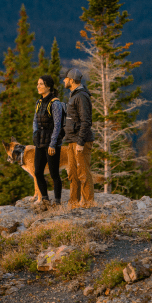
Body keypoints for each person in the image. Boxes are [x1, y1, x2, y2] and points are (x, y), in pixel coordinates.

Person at [63, 68, 95, 209]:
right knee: (73, 173)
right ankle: (73, 204)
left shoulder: (81, 96)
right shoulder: (74, 95)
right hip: (71, 140)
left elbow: (86, 121)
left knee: (83, 173)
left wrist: (80, 143)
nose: (64, 80)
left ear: (71, 80)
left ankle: (88, 204)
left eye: (65, 78)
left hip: (80, 141)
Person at [33, 74, 64, 209]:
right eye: (38, 84)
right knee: (38, 172)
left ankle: (57, 202)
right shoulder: (39, 102)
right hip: (40, 141)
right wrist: (35, 133)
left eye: (41, 84)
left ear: (48, 86)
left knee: (54, 173)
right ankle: (45, 200)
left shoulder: (55, 103)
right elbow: (35, 120)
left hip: (52, 143)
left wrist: (53, 144)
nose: (38, 86)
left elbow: (57, 124)